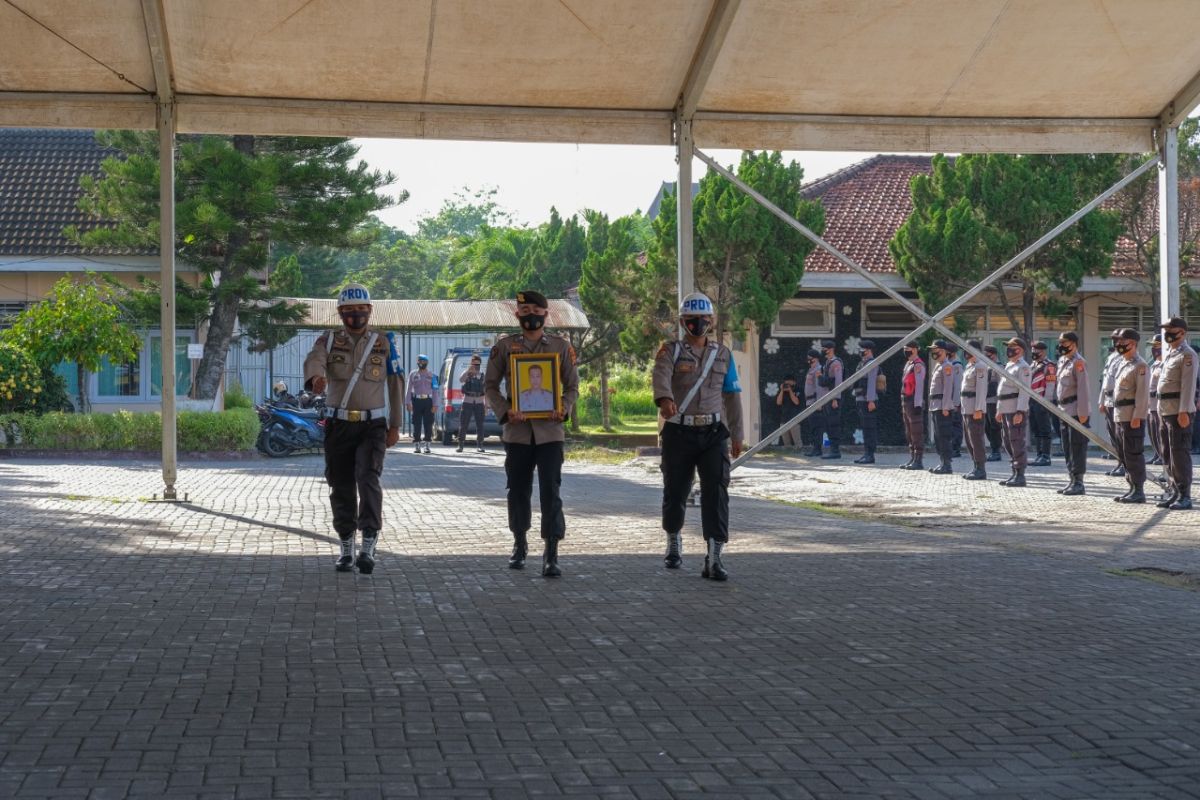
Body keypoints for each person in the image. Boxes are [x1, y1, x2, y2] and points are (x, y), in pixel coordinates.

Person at [303, 283, 404, 574]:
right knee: (341, 483)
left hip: (373, 425)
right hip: (338, 424)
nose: (355, 315)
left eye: (360, 310)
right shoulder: (330, 340)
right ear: (340, 313)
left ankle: (369, 543)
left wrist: (395, 424)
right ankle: (346, 544)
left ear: (369, 310)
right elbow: (315, 358)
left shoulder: (384, 342)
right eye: (348, 311)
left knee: (368, 477)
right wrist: (317, 378)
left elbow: (395, 382)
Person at [484, 290, 580, 576]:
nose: (531, 318)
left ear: (545, 314)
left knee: (551, 490)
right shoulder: (504, 347)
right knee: (518, 490)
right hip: (517, 431)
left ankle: (552, 552)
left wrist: (563, 407)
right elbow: (490, 386)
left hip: (550, 432)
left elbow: (572, 386)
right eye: (525, 313)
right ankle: (519, 544)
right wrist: (505, 411)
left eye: (536, 313)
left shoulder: (561, 348)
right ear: (517, 315)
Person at [653, 291, 744, 580]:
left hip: (714, 432)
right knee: (676, 490)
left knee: (716, 491)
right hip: (679, 430)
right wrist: (665, 399)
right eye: (692, 319)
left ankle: (714, 557)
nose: (698, 323)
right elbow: (661, 375)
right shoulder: (670, 351)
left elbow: (732, 395)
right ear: (682, 321)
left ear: (712, 320)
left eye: (703, 318)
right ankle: (673, 540)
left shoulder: (723, 354)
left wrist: (737, 434)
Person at [1155, 316, 1197, 510]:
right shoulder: (1171, 353)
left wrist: (1184, 411)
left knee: (1179, 453)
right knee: (1167, 452)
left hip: (1178, 412)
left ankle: (1184, 494)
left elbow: (1188, 386)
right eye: (1166, 330)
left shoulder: (1187, 354)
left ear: (1182, 332)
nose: (1167, 333)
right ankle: (1174, 491)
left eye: (1171, 330)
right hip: (1165, 410)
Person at [1110, 328, 1150, 503]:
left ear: (1132, 343)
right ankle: (1132, 487)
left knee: (1133, 453)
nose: (1118, 344)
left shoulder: (1140, 365)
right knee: (1124, 453)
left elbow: (1142, 394)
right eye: (1117, 341)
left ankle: (1139, 490)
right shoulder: (1123, 363)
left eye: (1121, 341)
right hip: (1120, 414)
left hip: (1131, 417)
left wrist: (1137, 416)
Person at [1054, 331, 1090, 496]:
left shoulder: (1079, 363)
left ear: (1074, 344)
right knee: (1067, 447)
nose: (1061, 345)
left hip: (1075, 410)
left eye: (1065, 342)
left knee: (1077, 447)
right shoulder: (1062, 361)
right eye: (1060, 342)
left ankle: (1079, 482)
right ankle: (1071, 479)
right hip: (1063, 410)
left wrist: (1083, 413)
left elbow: (1083, 390)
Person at [996, 337, 1032, 487]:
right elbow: (1002, 389)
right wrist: (999, 409)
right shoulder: (1010, 365)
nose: (1008, 349)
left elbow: (1024, 391)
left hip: (1015, 409)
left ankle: (1020, 475)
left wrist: (1020, 411)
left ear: (1020, 350)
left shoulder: (1023, 367)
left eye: (1012, 347)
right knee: (1007, 441)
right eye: (1008, 346)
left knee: (1017, 441)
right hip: (1005, 408)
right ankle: (1014, 472)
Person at [960, 339, 989, 480]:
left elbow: (981, 390)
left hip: (975, 409)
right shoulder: (969, 366)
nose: (965, 351)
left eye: (967, 348)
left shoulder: (980, 366)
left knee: (976, 439)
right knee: (969, 439)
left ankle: (981, 469)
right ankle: (975, 466)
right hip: (966, 408)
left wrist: (978, 409)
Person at [1099, 333, 1126, 477]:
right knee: (1113, 435)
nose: (1116, 343)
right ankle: (1119, 462)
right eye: (1114, 340)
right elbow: (1105, 381)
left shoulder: (1124, 357)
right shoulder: (1111, 357)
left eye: (1118, 340)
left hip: (1118, 400)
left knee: (1120, 435)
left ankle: (1124, 464)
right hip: (1108, 400)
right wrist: (1101, 400)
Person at [927, 339, 956, 474]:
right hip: (935, 405)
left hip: (942, 406)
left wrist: (945, 407)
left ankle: (947, 464)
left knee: (944, 436)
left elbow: (948, 388)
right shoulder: (938, 365)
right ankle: (942, 462)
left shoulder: (947, 366)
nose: (934, 352)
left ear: (943, 351)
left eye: (936, 350)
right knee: (938, 436)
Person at [1028, 341, 1058, 466]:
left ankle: (1046, 456)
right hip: (1032, 401)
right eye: (1033, 350)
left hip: (1042, 401)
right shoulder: (1033, 365)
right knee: (1036, 429)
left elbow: (1050, 385)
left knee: (1045, 429)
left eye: (1037, 351)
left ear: (1043, 351)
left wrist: (1046, 403)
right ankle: (1039, 455)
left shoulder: (1049, 366)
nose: (1034, 352)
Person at [852, 339, 880, 464]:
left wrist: (871, 400)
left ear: (868, 350)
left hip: (868, 400)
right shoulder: (862, 364)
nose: (860, 352)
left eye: (862, 350)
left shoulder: (872, 363)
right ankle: (866, 453)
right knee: (865, 428)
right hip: (860, 399)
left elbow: (871, 383)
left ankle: (870, 454)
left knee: (870, 428)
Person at [406, 354, 439, 454]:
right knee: (417, 423)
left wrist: (435, 404)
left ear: (427, 363)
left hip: (428, 401)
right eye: (420, 361)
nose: (421, 363)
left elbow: (435, 391)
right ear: (417, 362)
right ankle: (417, 445)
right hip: (417, 401)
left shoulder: (432, 375)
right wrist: (408, 402)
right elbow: (408, 390)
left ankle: (427, 445)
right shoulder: (413, 374)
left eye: (424, 361)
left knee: (428, 423)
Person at [900, 341, 926, 470]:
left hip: (913, 401)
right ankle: (912, 457)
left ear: (915, 349)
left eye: (908, 348)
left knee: (916, 431)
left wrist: (917, 403)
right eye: (905, 348)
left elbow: (919, 386)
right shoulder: (908, 364)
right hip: (905, 399)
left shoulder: (918, 365)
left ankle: (918, 459)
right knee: (908, 431)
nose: (906, 351)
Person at [817, 339, 844, 459]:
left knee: (833, 424)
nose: (824, 352)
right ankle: (832, 449)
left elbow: (838, 382)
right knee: (828, 424)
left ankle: (835, 450)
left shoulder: (836, 363)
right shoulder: (827, 363)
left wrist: (835, 398)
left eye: (826, 350)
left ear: (831, 349)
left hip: (833, 398)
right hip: (827, 397)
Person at [457, 354, 487, 453]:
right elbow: (461, 380)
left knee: (480, 424)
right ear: (471, 363)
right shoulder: (467, 374)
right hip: (467, 401)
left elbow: (486, 391)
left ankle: (480, 445)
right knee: (464, 423)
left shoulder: (482, 374)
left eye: (477, 364)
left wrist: (486, 405)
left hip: (479, 402)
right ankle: (460, 445)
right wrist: (468, 371)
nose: (476, 365)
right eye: (474, 363)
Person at [982, 344, 1004, 462]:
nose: (985, 356)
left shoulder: (999, 367)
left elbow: (1001, 386)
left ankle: (996, 451)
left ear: (993, 355)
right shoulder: (986, 367)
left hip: (995, 401)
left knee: (995, 427)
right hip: (985, 401)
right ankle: (993, 448)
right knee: (987, 427)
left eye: (987, 354)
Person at [802, 349, 824, 457]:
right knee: (813, 427)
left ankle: (817, 449)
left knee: (817, 427)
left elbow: (819, 388)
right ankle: (815, 448)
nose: (808, 360)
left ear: (815, 359)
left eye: (810, 358)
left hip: (815, 402)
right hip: (809, 401)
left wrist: (819, 403)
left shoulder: (818, 370)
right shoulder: (811, 370)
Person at [1147, 336, 1164, 468]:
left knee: (1159, 432)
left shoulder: (1164, 364)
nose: (1154, 349)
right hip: (1150, 404)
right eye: (1153, 346)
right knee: (1153, 432)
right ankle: (1156, 453)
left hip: (1158, 404)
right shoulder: (1154, 364)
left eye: (1157, 346)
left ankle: (1163, 456)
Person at [774, 375, 802, 450]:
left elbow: (796, 402)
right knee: (786, 442)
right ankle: (788, 450)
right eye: (786, 384)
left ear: (794, 382)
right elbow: (778, 402)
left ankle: (798, 450)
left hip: (795, 418)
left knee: (797, 442)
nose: (787, 386)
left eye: (789, 384)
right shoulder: (783, 391)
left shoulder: (798, 389)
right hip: (784, 417)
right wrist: (782, 390)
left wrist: (790, 391)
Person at [947, 342, 964, 459]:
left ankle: (956, 449)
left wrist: (956, 403)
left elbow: (958, 386)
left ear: (952, 353)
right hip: (949, 401)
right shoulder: (949, 364)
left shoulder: (957, 365)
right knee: (950, 426)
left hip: (954, 402)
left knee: (956, 425)